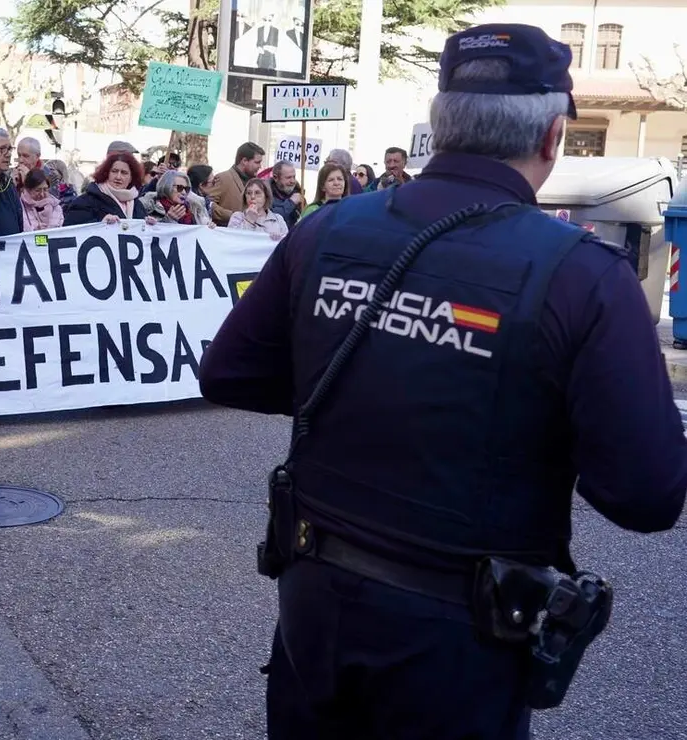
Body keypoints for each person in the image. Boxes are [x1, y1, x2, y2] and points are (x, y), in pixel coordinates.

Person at [199, 23, 687, 738]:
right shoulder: (583, 276)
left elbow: (232, 372)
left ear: (441, 123)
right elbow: (646, 494)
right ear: (554, 135)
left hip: (317, 604)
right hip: (460, 643)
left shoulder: (326, 229)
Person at [63, 151, 150, 225]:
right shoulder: (85, 202)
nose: (118, 177)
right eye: (114, 171)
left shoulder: (138, 205)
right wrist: (100, 224)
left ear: (131, 178)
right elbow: (70, 232)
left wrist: (150, 227)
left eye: (124, 173)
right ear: (106, 173)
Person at [206, 142, 265, 226]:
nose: (260, 166)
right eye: (257, 162)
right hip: (228, 234)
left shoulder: (257, 183)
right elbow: (208, 205)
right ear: (244, 161)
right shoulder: (223, 178)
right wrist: (234, 216)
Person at [140, 169, 211, 225]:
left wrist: (209, 227)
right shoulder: (150, 205)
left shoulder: (194, 208)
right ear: (167, 186)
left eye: (186, 189)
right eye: (179, 188)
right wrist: (168, 220)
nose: (183, 192)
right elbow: (148, 233)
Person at [269, 162, 304, 228]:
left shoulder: (297, 192)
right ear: (275, 178)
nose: (293, 181)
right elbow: (272, 217)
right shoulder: (265, 193)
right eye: (288, 177)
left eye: (294, 177)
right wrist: (291, 203)